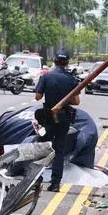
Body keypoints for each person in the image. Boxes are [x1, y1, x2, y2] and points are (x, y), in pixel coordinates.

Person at [33, 49, 81, 191]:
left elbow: (37, 97)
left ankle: (37, 179)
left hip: (48, 118)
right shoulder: (71, 79)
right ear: (67, 63)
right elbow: (76, 101)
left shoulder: (46, 77)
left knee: (41, 147)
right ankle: (55, 183)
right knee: (59, 150)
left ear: (54, 61)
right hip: (64, 117)